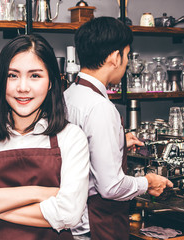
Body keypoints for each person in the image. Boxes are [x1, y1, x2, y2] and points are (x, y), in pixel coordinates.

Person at [0, 34, 90, 240]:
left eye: (35, 76)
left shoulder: (71, 137)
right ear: (0, 81)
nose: (23, 87)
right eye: (12, 75)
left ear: (51, 82)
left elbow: (69, 214)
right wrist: (39, 193)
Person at [64, 17, 173, 240]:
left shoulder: (69, 94)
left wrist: (118, 140)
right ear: (115, 57)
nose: (125, 63)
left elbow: (79, 147)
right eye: (126, 55)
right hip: (95, 226)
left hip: (72, 222)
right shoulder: (100, 107)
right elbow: (110, 186)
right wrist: (148, 182)